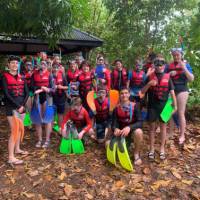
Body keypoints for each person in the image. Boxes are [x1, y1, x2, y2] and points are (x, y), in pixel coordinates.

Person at [140, 55, 177, 160]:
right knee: (151, 129)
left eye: (161, 64)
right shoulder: (149, 76)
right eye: (157, 64)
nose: (159, 66)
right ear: (154, 65)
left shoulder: (168, 77)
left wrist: (175, 105)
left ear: (164, 66)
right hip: (152, 106)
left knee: (163, 128)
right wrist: (149, 84)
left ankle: (162, 149)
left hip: (164, 106)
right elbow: (142, 92)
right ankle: (151, 149)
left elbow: (172, 92)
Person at [2, 56, 29, 164]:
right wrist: (18, 106)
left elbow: (27, 92)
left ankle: (17, 149)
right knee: (14, 131)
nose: (14, 65)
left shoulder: (22, 76)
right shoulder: (4, 77)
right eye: (12, 63)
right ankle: (11, 157)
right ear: (8, 65)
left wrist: (22, 105)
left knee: (20, 129)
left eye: (16, 63)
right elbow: (6, 94)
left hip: (21, 107)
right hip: (12, 107)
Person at [166, 48, 194, 145]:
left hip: (182, 89)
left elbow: (191, 79)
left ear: (181, 55)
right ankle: (170, 132)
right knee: (170, 112)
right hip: (171, 90)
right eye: (174, 55)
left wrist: (184, 68)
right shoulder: (169, 65)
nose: (176, 57)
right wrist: (169, 74)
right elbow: (164, 77)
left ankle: (182, 135)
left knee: (180, 113)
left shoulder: (186, 64)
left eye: (178, 55)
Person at [111, 87, 143, 165]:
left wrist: (129, 127)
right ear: (119, 95)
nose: (124, 95)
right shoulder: (116, 108)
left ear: (129, 94)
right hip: (121, 133)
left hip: (131, 131)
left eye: (126, 93)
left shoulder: (135, 106)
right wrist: (115, 129)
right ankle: (126, 145)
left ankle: (136, 154)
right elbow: (113, 124)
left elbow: (140, 122)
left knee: (139, 132)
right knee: (107, 144)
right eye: (122, 93)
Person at [31, 60, 55, 148]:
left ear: (47, 65)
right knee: (38, 120)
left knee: (47, 119)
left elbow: (53, 88)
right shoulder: (34, 74)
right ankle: (40, 139)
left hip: (47, 98)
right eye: (41, 64)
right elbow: (31, 86)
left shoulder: (50, 74)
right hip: (37, 97)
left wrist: (47, 89)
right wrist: (40, 88)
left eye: (45, 64)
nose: (43, 65)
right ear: (39, 65)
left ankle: (47, 140)